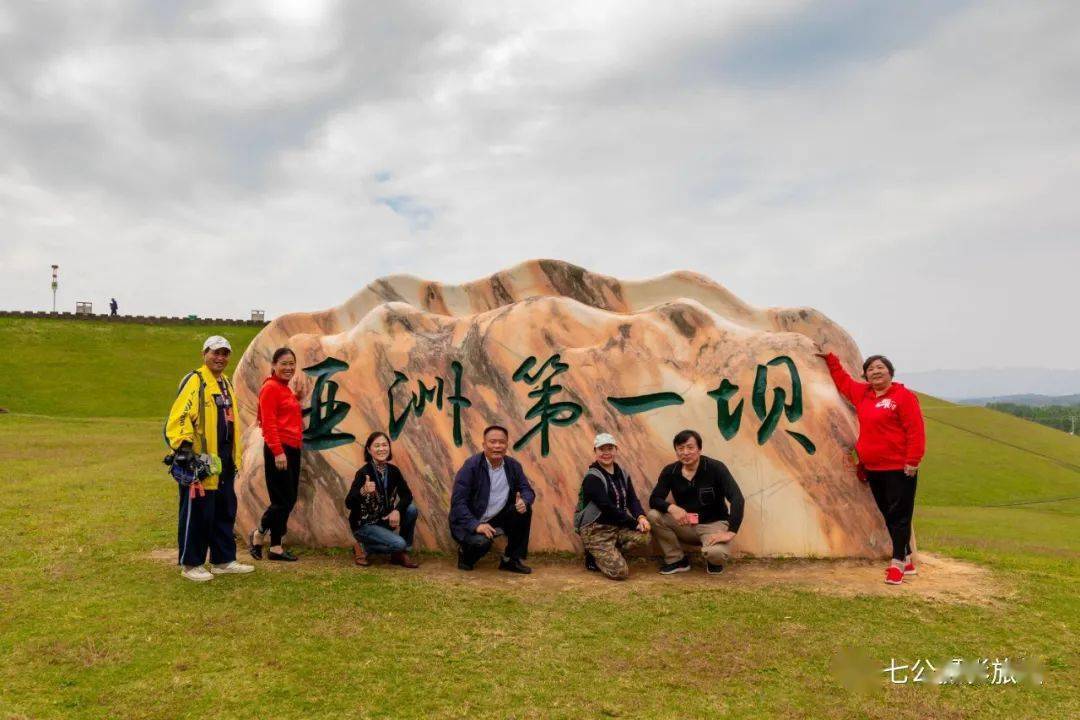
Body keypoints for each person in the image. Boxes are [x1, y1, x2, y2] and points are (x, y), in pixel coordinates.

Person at [820, 350, 926, 585]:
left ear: (890, 372)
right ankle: (906, 558)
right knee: (889, 515)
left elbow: (915, 430)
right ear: (866, 375)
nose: (876, 372)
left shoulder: (902, 396)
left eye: (881, 368)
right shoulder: (864, 394)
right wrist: (831, 359)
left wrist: (913, 460)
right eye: (871, 369)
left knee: (900, 516)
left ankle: (897, 564)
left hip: (900, 468)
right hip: (874, 468)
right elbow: (844, 382)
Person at [164, 335, 254, 582]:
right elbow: (180, 415)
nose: (220, 358)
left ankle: (223, 560)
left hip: (224, 459)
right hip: (201, 460)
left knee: (224, 510)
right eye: (215, 353)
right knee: (198, 512)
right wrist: (183, 449)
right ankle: (191, 563)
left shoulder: (225, 383)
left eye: (225, 354)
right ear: (204, 354)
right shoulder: (196, 380)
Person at [647, 429, 744, 575]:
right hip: (686, 525)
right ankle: (677, 560)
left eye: (690, 447)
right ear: (676, 451)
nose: (685, 452)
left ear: (699, 449)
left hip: (713, 525)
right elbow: (654, 499)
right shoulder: (670, 471)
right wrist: (672, 508)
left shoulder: (716, 468)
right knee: (654, 516)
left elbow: (737, 498)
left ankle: (712, 558)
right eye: (680, 448)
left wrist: (731, 532)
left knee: (716, 555)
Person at [449, 425, 535, 573]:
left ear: (507, 445)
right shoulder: (471, 466)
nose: (497, 446)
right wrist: (476, 525)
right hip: (471, 519)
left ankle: (510, 559)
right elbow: (458, 502)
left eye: (501, 442)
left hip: (497, 518)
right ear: (483, 445)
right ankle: (465, 554)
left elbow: (527, 490)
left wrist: (525, 501)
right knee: (481, 543)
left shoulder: (513, 466)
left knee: (523, 510)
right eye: (492, 442)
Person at [249, 348, 304, 562]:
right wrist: (278, 452)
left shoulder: (284, 389)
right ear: (273, 365)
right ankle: (259, 532)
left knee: (287, 500)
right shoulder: (270, 388)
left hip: (292, 448)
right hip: (280, 450)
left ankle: (276, 547)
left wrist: (297, 396)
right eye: (284, 363)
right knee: (283, 500)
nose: (289, 367)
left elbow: (284, 413)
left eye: (292, 363)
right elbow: (268, 423)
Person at [574, 433, 650, 580]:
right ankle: (594, 553)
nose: (606, 453)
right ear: (595, 451)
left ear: (616, 450)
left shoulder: (623, 474)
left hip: (616, 525)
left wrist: (641, 517)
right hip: (595, 528)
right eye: (602, 449)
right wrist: (633, 523)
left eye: (610, 448)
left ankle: (609, 550)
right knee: (620, 573)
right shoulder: (592, 477)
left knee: (645, 537)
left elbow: (632, 499)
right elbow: (606, 507)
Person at [344, 432, 420, 568]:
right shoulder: (363, 473)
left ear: (389, 448)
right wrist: (363, 491)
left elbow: (407, 495)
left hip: (384, 520)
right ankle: (365, 547)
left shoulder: (393, 471)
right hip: (364, 525)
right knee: (399, 543)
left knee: (411, 510)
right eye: (377, 446)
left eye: (385, 445)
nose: (381, 449)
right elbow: (348, 503)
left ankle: (402, 554)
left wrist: (396, 510)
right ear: (369, 449)